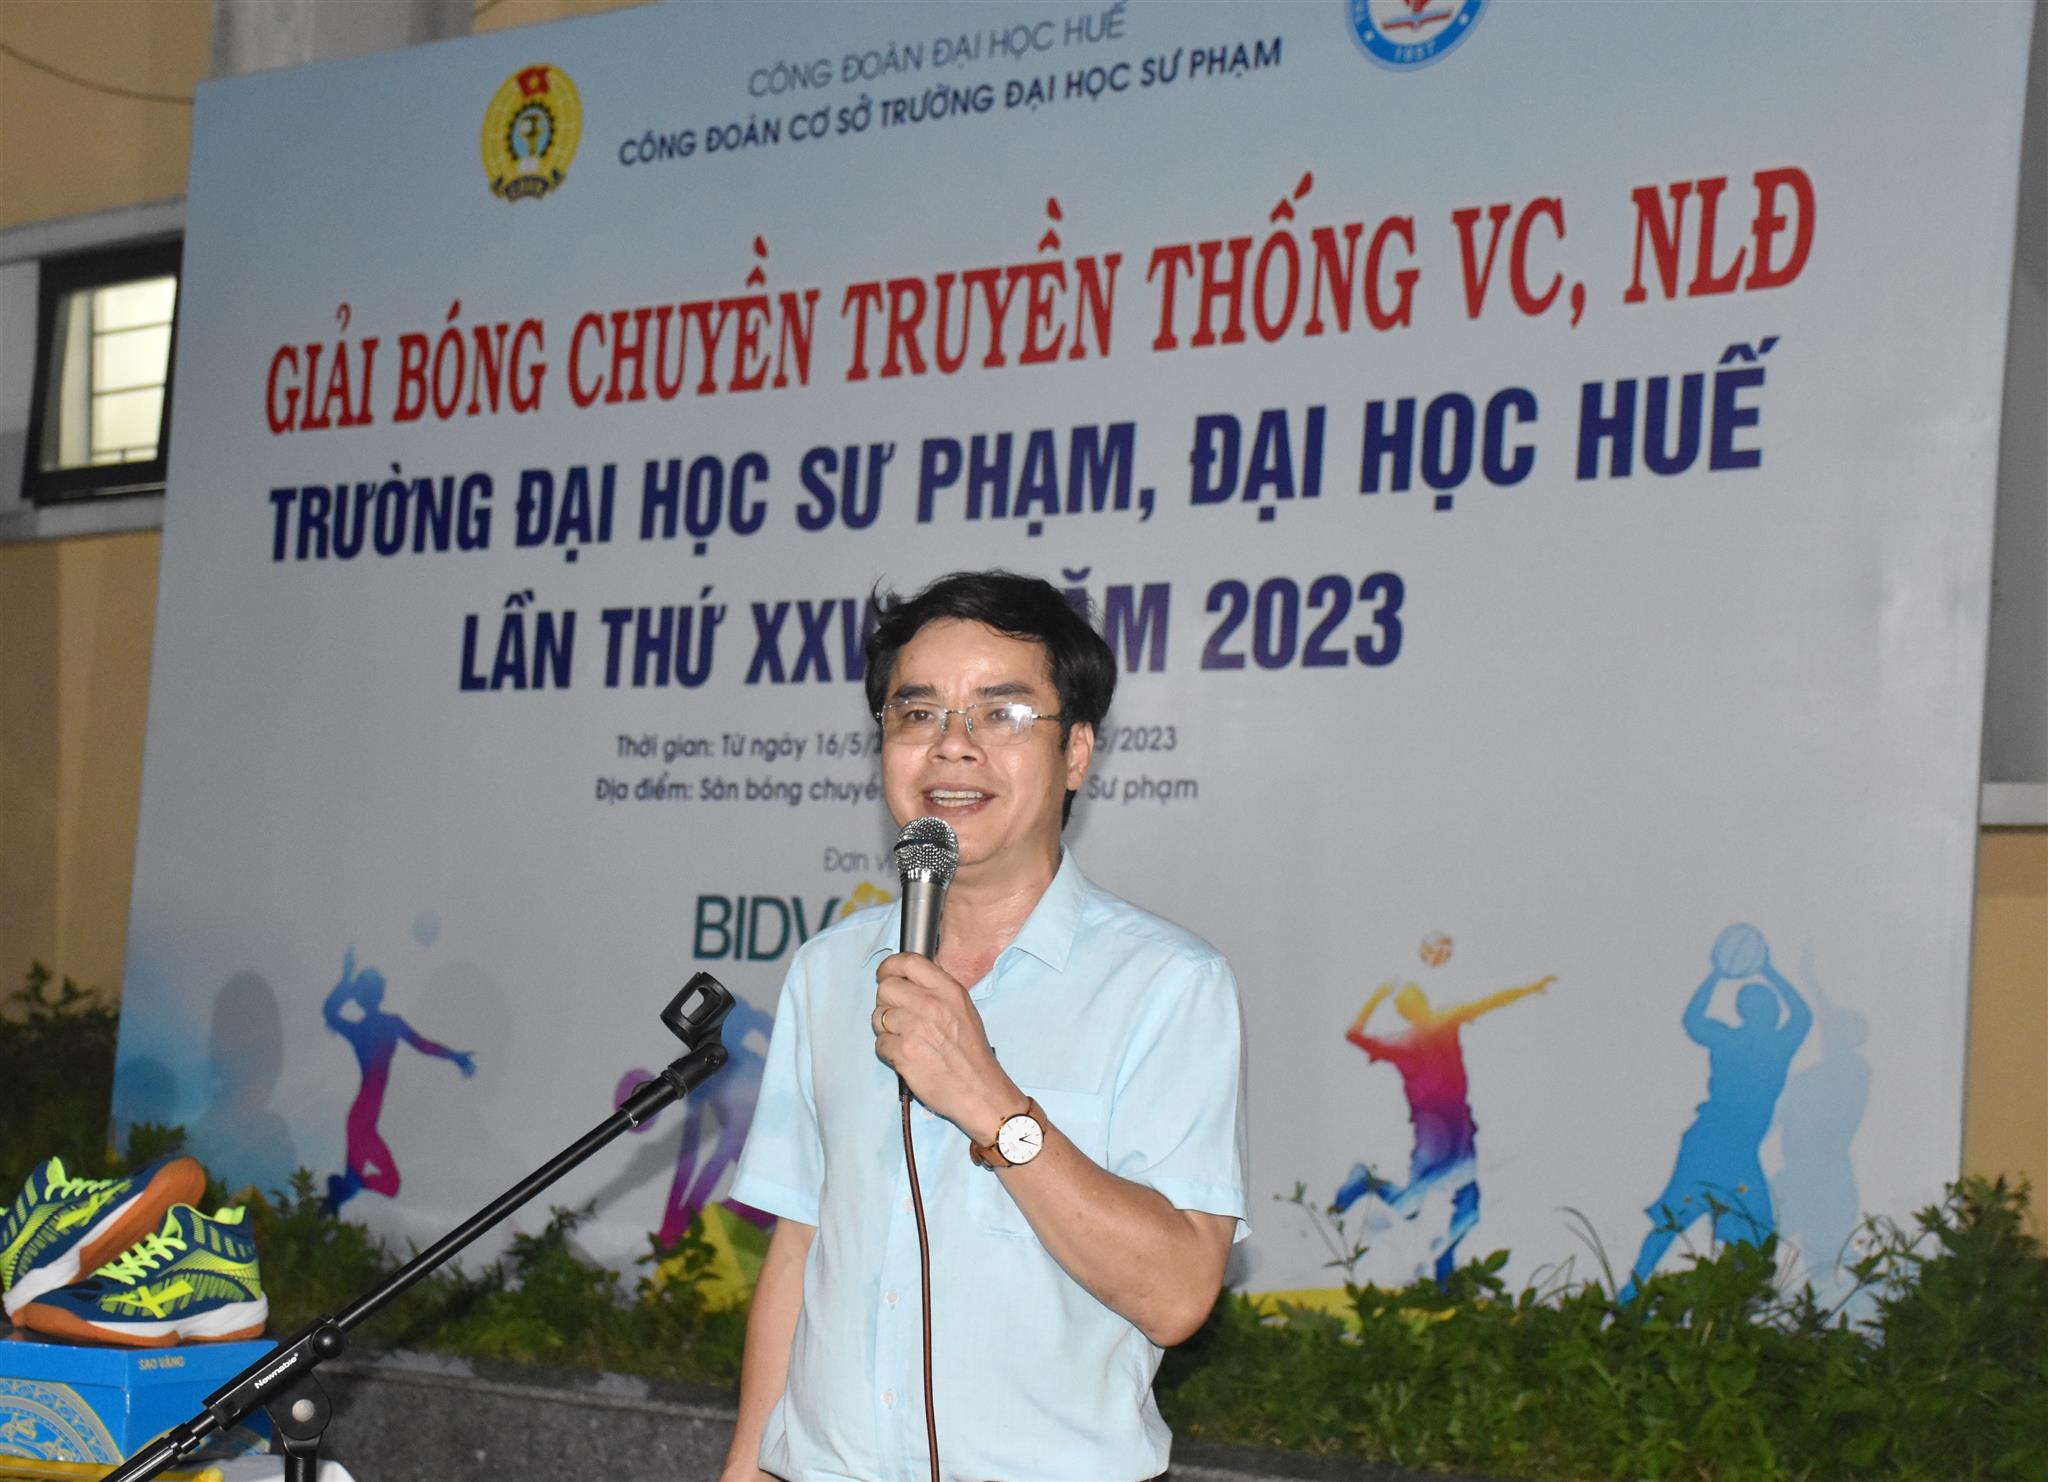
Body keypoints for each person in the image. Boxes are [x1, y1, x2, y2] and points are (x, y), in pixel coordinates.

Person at [723, 570, 1249, 1482]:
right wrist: (746, 1469)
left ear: (1076, 752)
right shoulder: (828, 971)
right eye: (917, 713)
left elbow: (1176, 1296)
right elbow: (802, 1245)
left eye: (1001, 714)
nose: (952, 746)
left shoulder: (1168, 984)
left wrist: (992, 1103)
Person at [1620, 931, 1811, 1302]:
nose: (1771, 1012)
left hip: (1727, 1147)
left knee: (1744, 1228)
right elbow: (1800, 1014)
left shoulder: (1751, 1042)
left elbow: (1695, 1019)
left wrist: (1723, 974)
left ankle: (1725, 1303)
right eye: (1766, 1006)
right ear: (1759, 1012)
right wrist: (1760, 971)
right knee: (1681, 1220)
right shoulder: (1761, 1043)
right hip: (1714, 1145)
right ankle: (1633, 1292)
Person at [1333, 973, 1550, 1284]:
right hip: (1434, 1135)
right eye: (1410, 1005)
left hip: (1461, 1127)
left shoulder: (1445, 1021)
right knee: (1410, 1208)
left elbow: (1489, 1002)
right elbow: (1353, 1035)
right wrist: (1377, 996)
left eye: (1418, 1001)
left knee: (1469, 1206)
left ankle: (1445, 1265)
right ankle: (1366, 1182)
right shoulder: (1404, 1041)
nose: (1418, 1008)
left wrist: (1529, 988)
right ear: (1406, 1012)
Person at [321, 947, 476, 1213]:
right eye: (376, 988)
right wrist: (346, 981)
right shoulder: (375, 1028)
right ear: (377, 994)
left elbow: (330, 1012)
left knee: (378, 1186)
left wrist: (346, 983)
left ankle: (341, 1190)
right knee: (377, 1185)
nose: (380, 991)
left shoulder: (375, 1027)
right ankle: (340, 1191)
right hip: (362, 1121)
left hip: (363, 1120)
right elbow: (330, 1014)